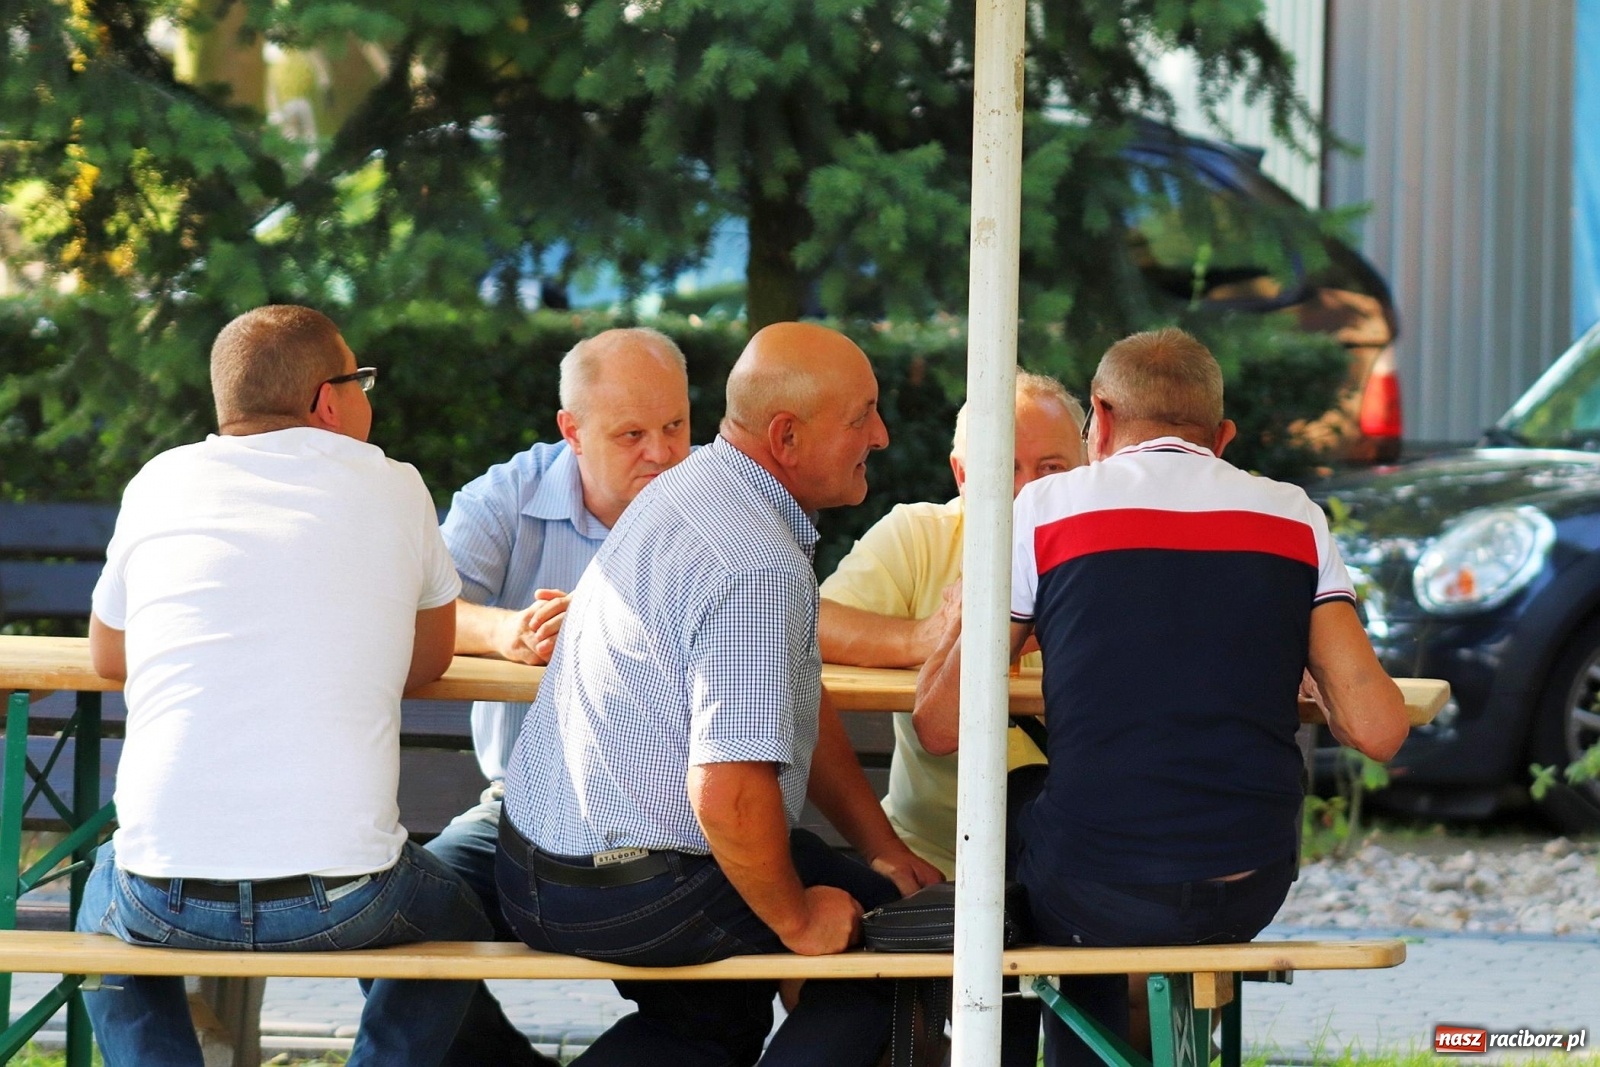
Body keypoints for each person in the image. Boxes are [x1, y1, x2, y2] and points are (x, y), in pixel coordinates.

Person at [914, 327, 1409, 1067]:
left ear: (1100, 418)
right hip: (1250, 882)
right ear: (1224, 436)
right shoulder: (1295, 517)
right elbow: (1379, 729)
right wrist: (1309, 665)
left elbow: (939, 726)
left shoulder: (1045, 510)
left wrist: (965, 624)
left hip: (1094, 888)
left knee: (1026, 809)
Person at [497, 321, 945, 1067]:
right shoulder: (755, 564)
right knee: (896, 958)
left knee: (713, 1022)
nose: (884, 434)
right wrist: (800, 922)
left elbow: (789, 707)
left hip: (536, 866)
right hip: (629, 887)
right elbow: (730, 795)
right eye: (861, 415)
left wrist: (881, 846)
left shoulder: (695, 483)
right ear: (786, 436)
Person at [77, 305, 493, 1067]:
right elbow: (429, 658)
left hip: (162, 899)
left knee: (101, 912)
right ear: (327, 400)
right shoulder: (395, 486)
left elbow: (109, 656)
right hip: (346, 898)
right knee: (462, 915)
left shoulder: (159, 481)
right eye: (362, 380)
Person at [428, 327, 692, 1066]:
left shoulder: (721, 498)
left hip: (678, 818)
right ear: (571, 432)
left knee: (719, 1005)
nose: (664, 452)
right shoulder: (506, 495)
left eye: (676, 425)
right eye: (632, 433)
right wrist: (510, 631)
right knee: (400, 928)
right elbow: (422, 611)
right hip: (524, 810)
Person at [817, 370, 1082, 1067]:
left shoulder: (1110, 552)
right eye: (1005, 470)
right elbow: (805, 621)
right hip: (928, 860)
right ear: (963, 474)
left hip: (1070, 863)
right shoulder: (921, 535)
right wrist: (926, 637)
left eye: (1052, 468)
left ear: (1089, 465)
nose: (1027, 491)